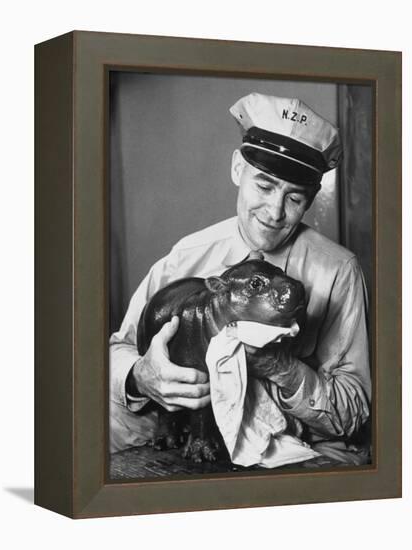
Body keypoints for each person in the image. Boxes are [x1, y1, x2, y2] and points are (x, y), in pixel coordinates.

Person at [109, 93, 371, 466]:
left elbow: (355, 411)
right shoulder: (187, 256)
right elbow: (119, 348)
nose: (275, 212)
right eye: (263, 187)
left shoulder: (339, 272)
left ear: (311, 200)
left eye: (294, 198)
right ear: (237, 169)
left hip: (293, 448)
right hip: (190, 433)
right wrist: (141, 375)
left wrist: (281, 367)